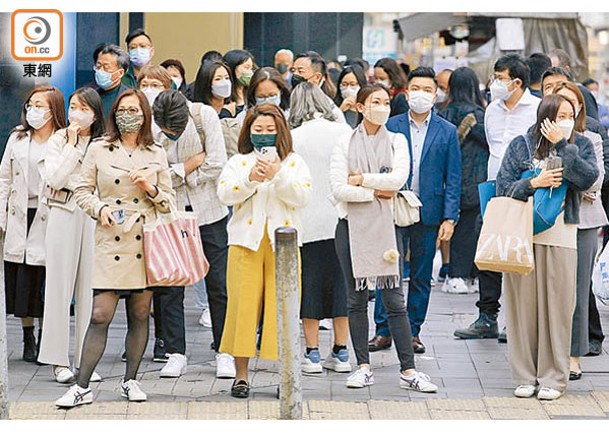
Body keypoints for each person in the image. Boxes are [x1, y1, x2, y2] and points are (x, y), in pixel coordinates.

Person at [55, 89, 174, 408]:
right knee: (100, 313)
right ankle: (82, 386)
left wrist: (151, 188)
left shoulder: (156, 152)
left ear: (145, 115)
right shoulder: (99, 148)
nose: (127, 115)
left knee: (139, 314)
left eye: (134, 110)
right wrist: (99, 208)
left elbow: (170, 202)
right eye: (122, 110)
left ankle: (131, 380)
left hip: (144, 239)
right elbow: (80, 189)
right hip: (110, 237)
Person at [329, 83, 437, 393]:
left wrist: (362, 180)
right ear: (360, 107)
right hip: (350, 227)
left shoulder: (397, 140)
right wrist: (379, 192)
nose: (382, 106)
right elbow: (338, 189)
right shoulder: (344, 142)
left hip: (388, 229)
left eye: (386, 101)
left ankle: (408, 370)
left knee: (394, 301)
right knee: (355, 299)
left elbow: (399, 179)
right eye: (375, 102)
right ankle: (363, 366)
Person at [496, 94, 597, 401]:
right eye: (559, 115)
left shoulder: (580, 144)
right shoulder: (521, 144)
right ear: (545, 117)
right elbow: (502, 186)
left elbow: (588, 178)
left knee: (559, 307)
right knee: (521, 307)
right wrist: (533, 184)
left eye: (570, 114)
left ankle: (554, 377)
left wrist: (565, 148)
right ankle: (525, 376)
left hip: (562, 234)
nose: (565, 120)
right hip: (522, 232)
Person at [216, 103, 312, 399]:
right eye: (258, 130)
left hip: (283, 246)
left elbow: (302, 196)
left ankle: (285, 376)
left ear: (281, 131)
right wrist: (251, 180)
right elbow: (224, 194)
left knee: (283, 309)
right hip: (245, 243)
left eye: (270, 130)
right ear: (249, 131)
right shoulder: (239, 161)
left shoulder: (294, 162)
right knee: (242, 308)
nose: (265, 135)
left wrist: (277, 174)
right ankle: (241, 376)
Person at [370, 67, 461, 355]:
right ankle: (383, 330)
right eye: (416, 89)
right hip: (393, 207)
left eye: (427, 90)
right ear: (407, 92)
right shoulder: (392, 126)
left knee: (421, 275)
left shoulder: (446, 131)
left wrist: (450, 217)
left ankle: (412, 331)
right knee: (389, 270)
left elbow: (454, 177)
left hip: (429, 210)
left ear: (436, 95)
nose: (421, 95)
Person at [453, 54, 540, 342]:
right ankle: (487, 316)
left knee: (518, 253)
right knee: (489, 250)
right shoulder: (491, 110)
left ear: (517, 82)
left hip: (526, 189)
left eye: (500, 79)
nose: (495, 84)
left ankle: (515, 320)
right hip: (493, 187)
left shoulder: (537, 108)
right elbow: (494, 146)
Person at [152, 90, 234, 379]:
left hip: (210, 213)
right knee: (171, 285)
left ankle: (225, 350)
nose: (170, 134)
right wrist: (188, 166)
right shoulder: (152, 123)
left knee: (219, 284)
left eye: (174, 131)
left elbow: (216, 163)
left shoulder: (204, 116)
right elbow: (154, 173)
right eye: (166, 132)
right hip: (170, 213)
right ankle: (176, 353)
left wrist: (179, 175)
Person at [37, 88, 104, 384]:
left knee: (90, 287)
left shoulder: (104, 142)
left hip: (93, 215)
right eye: (73, 106)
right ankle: (56, 359)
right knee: (59, 288)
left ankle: (85, 358)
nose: (77, 112)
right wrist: (74, 146)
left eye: (83, 107)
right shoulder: (59, 139)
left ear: (95, 112)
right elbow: (55, 178)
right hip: (63, 211)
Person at [289, 83, 353, 374]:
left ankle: (312, 352)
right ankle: (341, 352)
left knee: (311, 286)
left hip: (306, 222)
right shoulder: (344, 133)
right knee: (341, 285)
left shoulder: (292, 138)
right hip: (341, 219)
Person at [0, 86, 66, 363]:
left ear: (54, 110)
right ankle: (28, 336)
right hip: (19, 214)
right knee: (23, 281)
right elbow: (4, 178)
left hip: (49, 216)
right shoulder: (17, 137)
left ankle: (45, 337)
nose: (34, 110)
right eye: (31, 104)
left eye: (40, 105)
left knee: (45, 282)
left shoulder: (63, 140)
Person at [552, 81, 608, 380]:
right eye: (559, 105)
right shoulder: (537, 137)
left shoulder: (590, 139)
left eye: (571, 107)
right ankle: (548, 351)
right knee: (550, 289)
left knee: (577, 289)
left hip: (584, 221)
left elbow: (594, 182)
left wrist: (572, 179)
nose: (565, 112)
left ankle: (574, 355)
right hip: (548, 220)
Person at [438, 67, 489, 294]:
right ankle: (468, 274)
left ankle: (453, 273)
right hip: (476, 181)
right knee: (472, 230)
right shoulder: (478, 115)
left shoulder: (443, 113)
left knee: (456, 230)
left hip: (449, 181)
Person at [291, 51, 346, 123]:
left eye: (300, 71)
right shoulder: (291, 101)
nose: (295, 75)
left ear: (317, 77)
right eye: (293, 70)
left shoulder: (329, 107)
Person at [548, 48, 599, 121]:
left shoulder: (582, 93)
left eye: (554, 70)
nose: (549, 75)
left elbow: (594, 124)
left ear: (567, 70)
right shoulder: (547, 93)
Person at [93, 44, 130, 118]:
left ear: (120, 73)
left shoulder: (129, 97)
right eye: (98, 66)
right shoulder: (91, 96)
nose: (100, 70)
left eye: (106, 67)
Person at [222, 49, 256, 116]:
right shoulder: (223, 97)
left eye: (251, 68)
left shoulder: (252, 94)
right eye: (246, 67)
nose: (250, 72)